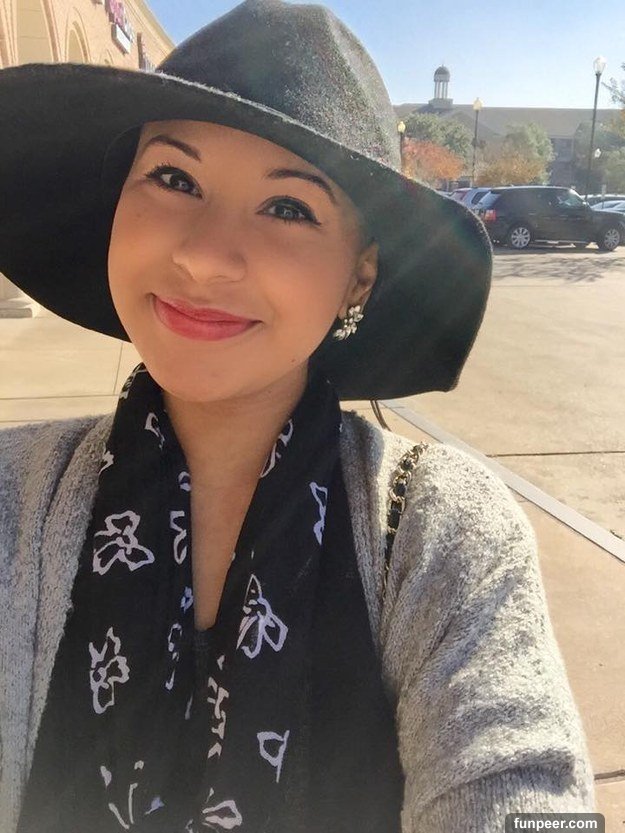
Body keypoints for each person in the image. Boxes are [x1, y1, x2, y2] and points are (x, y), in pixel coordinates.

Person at [0, 1, 594, 831]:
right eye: (173, 179)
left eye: (287, 208)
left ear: (359, 276)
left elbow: (525, 792)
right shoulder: (14, 496)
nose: (204, 255)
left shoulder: (442, 537)